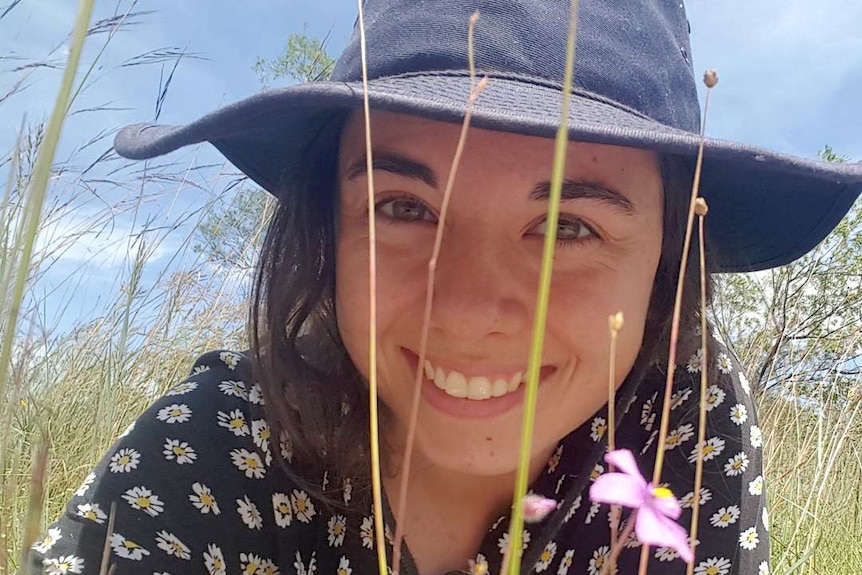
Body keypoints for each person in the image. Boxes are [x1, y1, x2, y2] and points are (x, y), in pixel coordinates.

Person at [29, 1, 862, 574]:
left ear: (666, 264)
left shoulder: (682, 421)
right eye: (403, 207)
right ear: (329, 227)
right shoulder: (214, 446)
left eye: (570, 227)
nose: (466, 309)